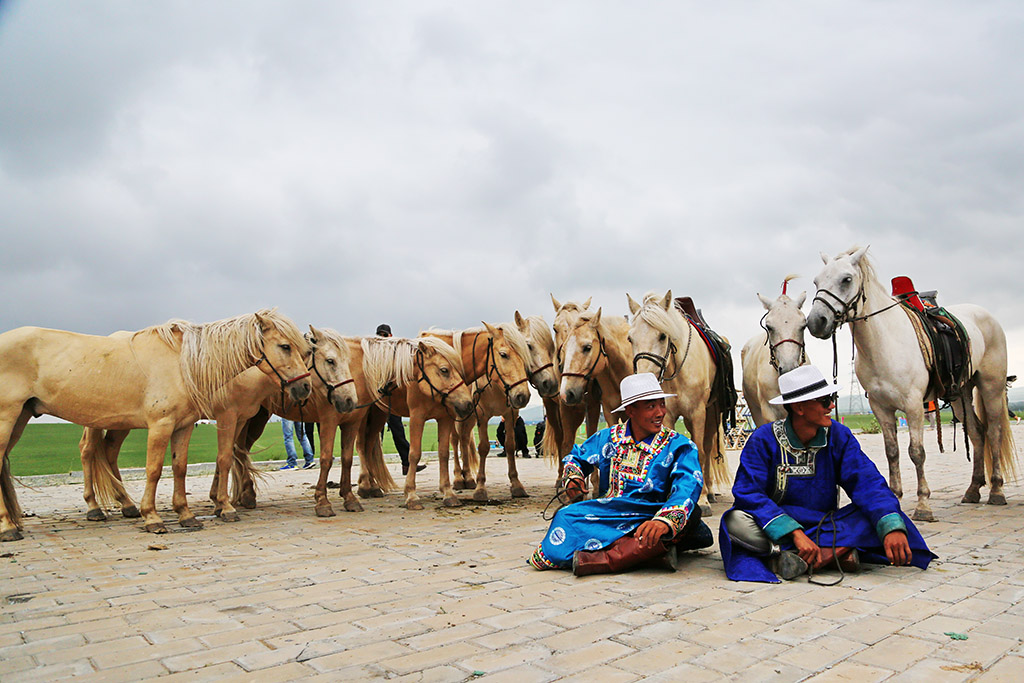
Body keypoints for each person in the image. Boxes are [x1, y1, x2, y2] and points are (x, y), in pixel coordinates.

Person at [719, 365, 936, 583]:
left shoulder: (839, 436)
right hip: (778, 525)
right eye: (824, 401)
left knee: (886, 516)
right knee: (734, 521)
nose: (831, 406)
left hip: (826, 524)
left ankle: (818, 555)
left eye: (831, 398)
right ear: (799, 408)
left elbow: (867, 482)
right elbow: (748, 493)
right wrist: (794, 533)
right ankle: (839, 550)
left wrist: (890, 526)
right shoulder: (763, 439)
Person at [528, 373, 713, 575]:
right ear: (630, 410)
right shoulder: (608, 438)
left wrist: (664, 521)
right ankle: (645, 552)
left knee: (685, 515)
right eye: (651, 406)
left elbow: (688, 485)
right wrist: (574, 477)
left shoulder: (679, 445)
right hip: (610, 512)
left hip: (652, 513)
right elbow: (577, 457)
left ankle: (601, 559)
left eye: (662, 404)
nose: (660, 412)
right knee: (564, 516)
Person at [376, 323, 425, 476]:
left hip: (392, 398)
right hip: (378, 396)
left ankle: (406, 463)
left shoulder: (395, 351)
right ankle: (375, 464)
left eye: (384, 335)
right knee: (376, 433)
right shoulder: (376, 352)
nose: (382, 337)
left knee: (398, 431)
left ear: (390, 336)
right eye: (380, 335)